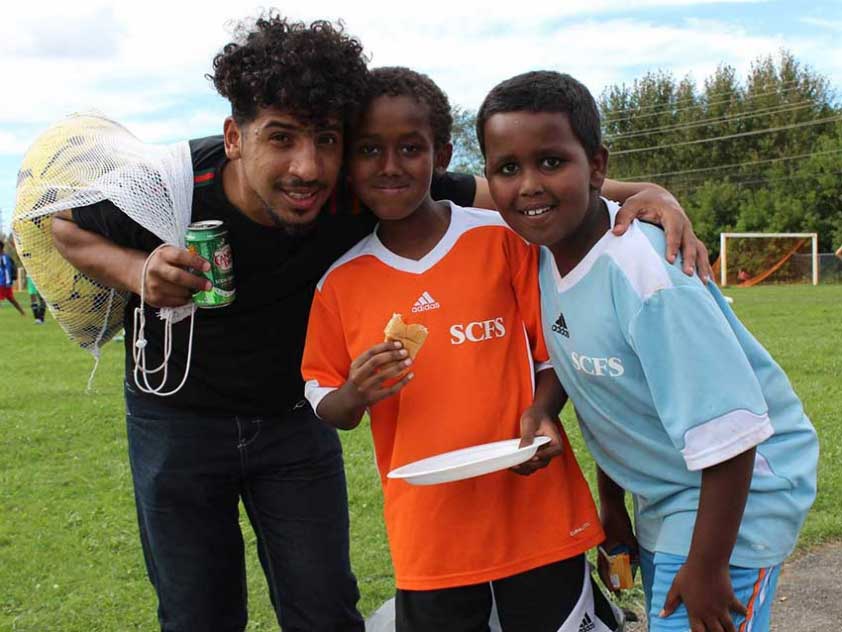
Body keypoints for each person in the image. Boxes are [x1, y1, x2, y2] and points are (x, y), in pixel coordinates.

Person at [49, 13, 707, 632]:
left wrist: (647, 194)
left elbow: (510, 191)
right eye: (280, 138)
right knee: (198, 609)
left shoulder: (360, 186)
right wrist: (140, 273)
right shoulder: (177, 183)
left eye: (327, 142)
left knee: (324, 605)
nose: (307, 166)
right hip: (179, 419)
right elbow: (62, 228)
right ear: (233, 138)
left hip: (290, 421)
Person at [477, 70, 819, 632]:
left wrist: (707, 568)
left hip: (741, 496)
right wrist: (610, 502)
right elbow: (603, 385)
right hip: (668, 496)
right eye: (508, 169)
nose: (529, 185)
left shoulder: (647, 274)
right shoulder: (541, 254)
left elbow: (733, 434)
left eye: (552, 162)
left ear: (598, 166)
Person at [301, 67, 621, 631]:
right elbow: (324, 398)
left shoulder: (504, 241)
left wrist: (541, 411)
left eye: (410, 148)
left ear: (442, 153)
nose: (391, 165)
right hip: (431, 539)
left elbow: (555, 357)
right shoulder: (340, 283)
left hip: (537, 519)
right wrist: (355, 392)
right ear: (349, 164)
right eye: (370, 150)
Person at [0, 240, 25, 316]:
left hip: (3, 283)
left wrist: (8, 282)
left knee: (11, 299)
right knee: (11, 299)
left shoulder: (4, 257)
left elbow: (8, 270)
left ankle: (22, 312)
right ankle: (22, 312)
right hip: (3, 283)